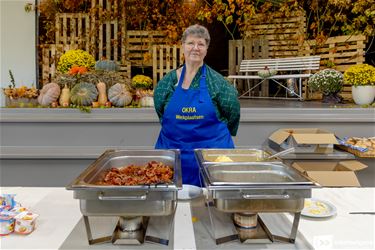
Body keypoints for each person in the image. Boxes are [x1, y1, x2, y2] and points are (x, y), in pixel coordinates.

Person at [154, 24, 240, 186]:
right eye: (190, 43)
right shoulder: (166, 83)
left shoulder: (218, 83)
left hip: (212, 159)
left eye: (201, 44)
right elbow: (161, 114)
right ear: (182, 46)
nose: (196, 48)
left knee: (211, 206)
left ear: (206, 49)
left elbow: (233, 113)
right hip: (174, 158)